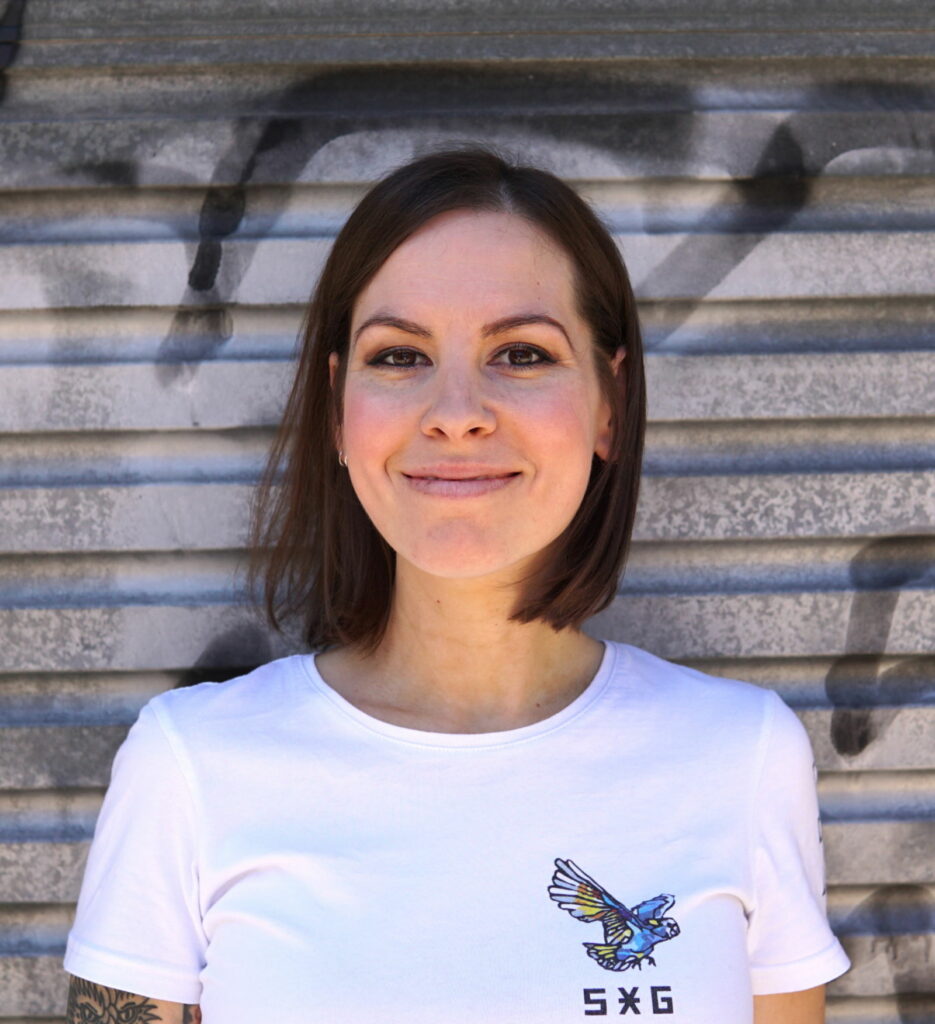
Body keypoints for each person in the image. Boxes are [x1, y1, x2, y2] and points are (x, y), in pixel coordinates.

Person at [64, 148, 849, 1023]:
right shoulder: (190, 766)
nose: (456, 409)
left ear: (608, 406)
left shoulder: (740, 757)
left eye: (520, 352)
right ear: (336, 407)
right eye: (399, 358)